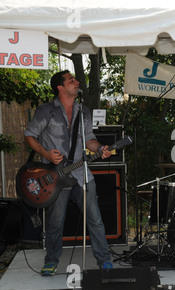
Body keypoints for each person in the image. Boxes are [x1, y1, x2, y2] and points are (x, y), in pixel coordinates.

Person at [24, 70, 113, 275]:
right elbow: (30, 135)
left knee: (95, 218)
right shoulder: (46, 111)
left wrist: (99, 148)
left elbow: (89, 139)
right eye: (71, 80)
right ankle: (51, 260)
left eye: (76, 78)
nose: (77, 81)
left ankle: (104, 260)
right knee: (56, 220)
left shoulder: (84, 111)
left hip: (81, 172)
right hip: (55, 175)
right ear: (60, 87)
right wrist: (46, 153)